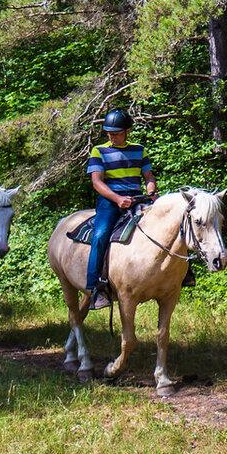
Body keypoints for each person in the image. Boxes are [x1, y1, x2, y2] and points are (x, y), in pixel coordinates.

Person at [85, 109, 156, 310]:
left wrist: (151, 188)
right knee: (99, 236)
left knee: (170, 223)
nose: (111, 135)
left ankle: (183, 273)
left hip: (137, 198)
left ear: (127, 131)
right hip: (109, 201)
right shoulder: (99, 151)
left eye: (116, 132)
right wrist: (117, 199)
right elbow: (97, 182)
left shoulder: (139, 150)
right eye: (109, 132)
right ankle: (94, 288)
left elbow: (148, 176)